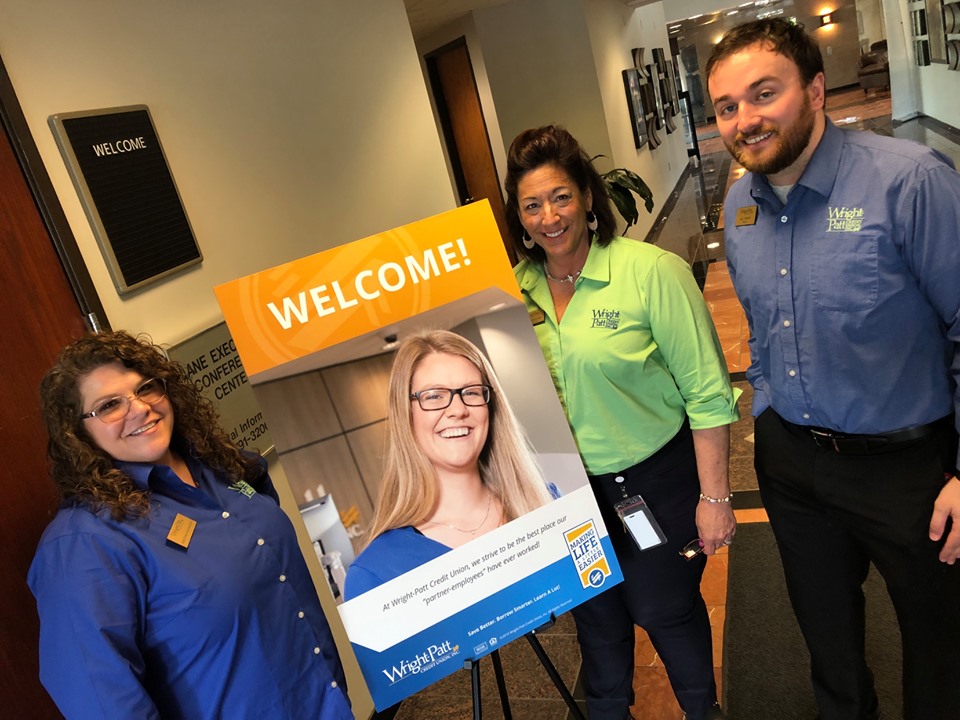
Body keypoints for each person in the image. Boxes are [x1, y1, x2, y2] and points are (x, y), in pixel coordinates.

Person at [706, 18, 960, 719]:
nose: (744, 120)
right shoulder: (738, 206)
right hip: (793, 467)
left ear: (815, 90)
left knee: (941, 650)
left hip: (910, 471)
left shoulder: (909, 183)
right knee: (829, 645)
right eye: (727, 107)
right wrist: (764, 412)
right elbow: (761, 329)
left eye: (764, 94)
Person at [504, 125, 739, 720]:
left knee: (666, 612)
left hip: (653, 485)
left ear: (586, 196)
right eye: (531, 204)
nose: (548, 216)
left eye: (560, 196)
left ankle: (702, 712)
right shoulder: (512, 292)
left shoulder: (650, 272)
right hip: (568, 495)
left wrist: (715, 496)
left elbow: (708, 394)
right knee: (599, 626)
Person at [28, 331, 353, 720]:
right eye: (109, 405)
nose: (139, 409)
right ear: (78, 433)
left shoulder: (226, 467)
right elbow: (101, 704)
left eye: (146, 388)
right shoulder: (84, 543)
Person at [343, 329, 556, 600]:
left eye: (471, 392)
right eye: (434, 396)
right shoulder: (376, 574)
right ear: (405, 414)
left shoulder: (546, 503)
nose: (457, 410)